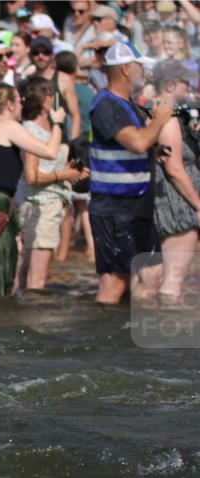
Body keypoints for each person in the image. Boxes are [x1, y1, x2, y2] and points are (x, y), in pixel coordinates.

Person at [0, 83, 66, 298]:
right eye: (19, 101)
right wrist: (57, 123)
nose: (22, 105)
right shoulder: (8, 126)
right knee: (0, 272)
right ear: (8, 105)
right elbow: (50, 151)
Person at [88, 43, 171, 304]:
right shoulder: (106, 104)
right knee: (115, 282)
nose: (143, 71)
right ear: (126, 69)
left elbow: (135, 147)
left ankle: (132, 330)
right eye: (139, 66)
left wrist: (152, 155)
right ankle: (104, 337)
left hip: (136, 205)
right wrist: (160, 119)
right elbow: (137, 142)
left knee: (153, 273)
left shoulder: (127, 105)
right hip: (114, 208)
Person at [14, 76, 88, 290]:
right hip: (40, 206)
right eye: (49, 93)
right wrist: (63, 175)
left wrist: (72, 173)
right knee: (36, 278)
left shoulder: (43, 129)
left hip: (43, 205)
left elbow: (50, 168)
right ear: (40, 99)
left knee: (27, 272)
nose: (53, 98)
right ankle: (36, 322)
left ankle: (20, 316)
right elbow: (32, 176)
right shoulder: (31, 130)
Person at [149, 59, 200, 306]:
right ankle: (168, 333)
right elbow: (174, 168)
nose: (189, 89)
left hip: (168, 200)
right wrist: (198, 205)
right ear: (170, 85)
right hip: (176, 203)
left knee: (156, 275)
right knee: (174, 277)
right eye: (185, 84)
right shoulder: (166, 118)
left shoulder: (158, 112)